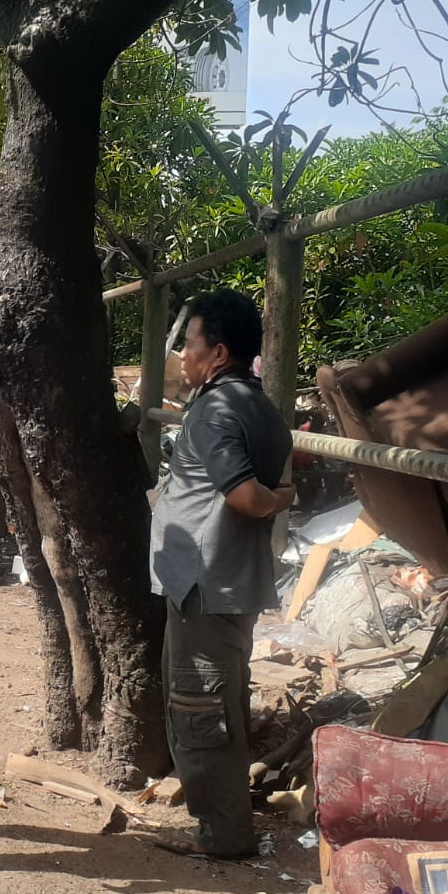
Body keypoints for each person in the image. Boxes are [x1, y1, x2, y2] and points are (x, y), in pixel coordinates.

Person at [147, 290, 294, 860]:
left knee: (200, 710)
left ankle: (225, 836)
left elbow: (246, 496)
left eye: (190, 344)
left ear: (220, 352)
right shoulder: (259, 406)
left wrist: (280, 498)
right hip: (221, 580)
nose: (183, 354)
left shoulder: (216, 409)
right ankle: (224, 825)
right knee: (218, 702)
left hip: (205, 583)